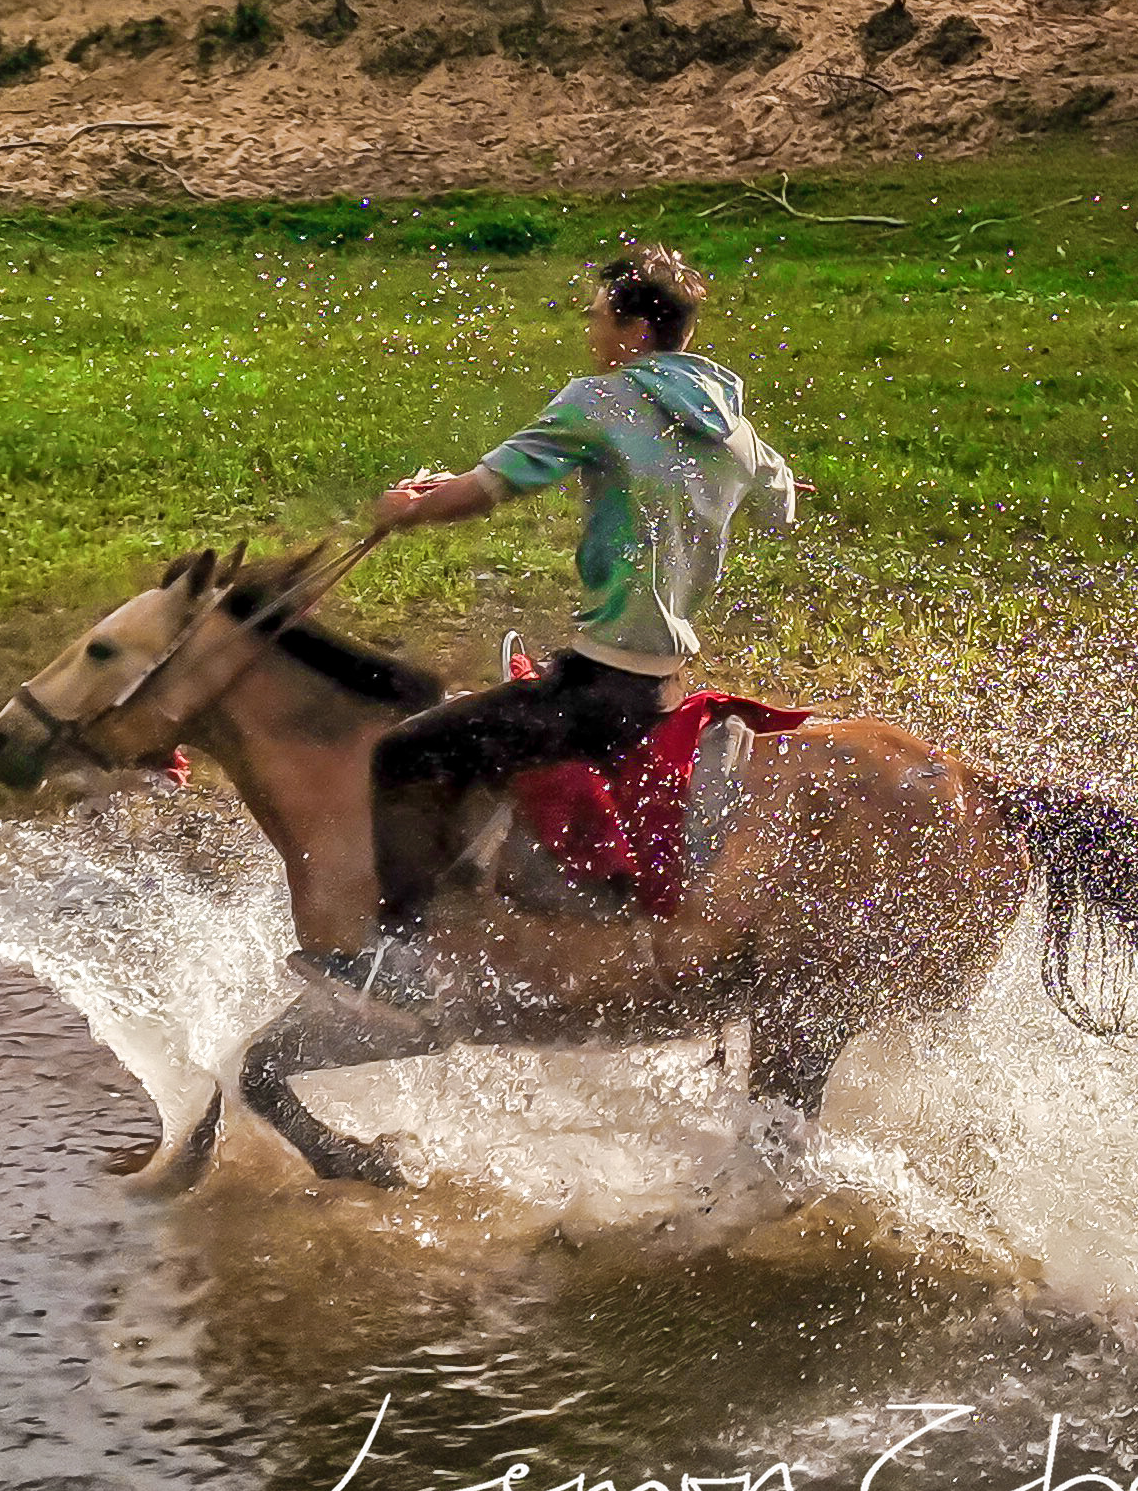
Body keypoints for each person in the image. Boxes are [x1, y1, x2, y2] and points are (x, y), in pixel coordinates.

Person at [296, 240, 799, 1000]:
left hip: (602, 688)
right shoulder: (736, 426)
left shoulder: (600, 400)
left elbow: (486, 492)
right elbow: (780, 505)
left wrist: (410, 508)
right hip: (664, 680)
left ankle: (393, 964)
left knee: (402, 755)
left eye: (598, 319)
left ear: (635, 333)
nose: (591, 334)